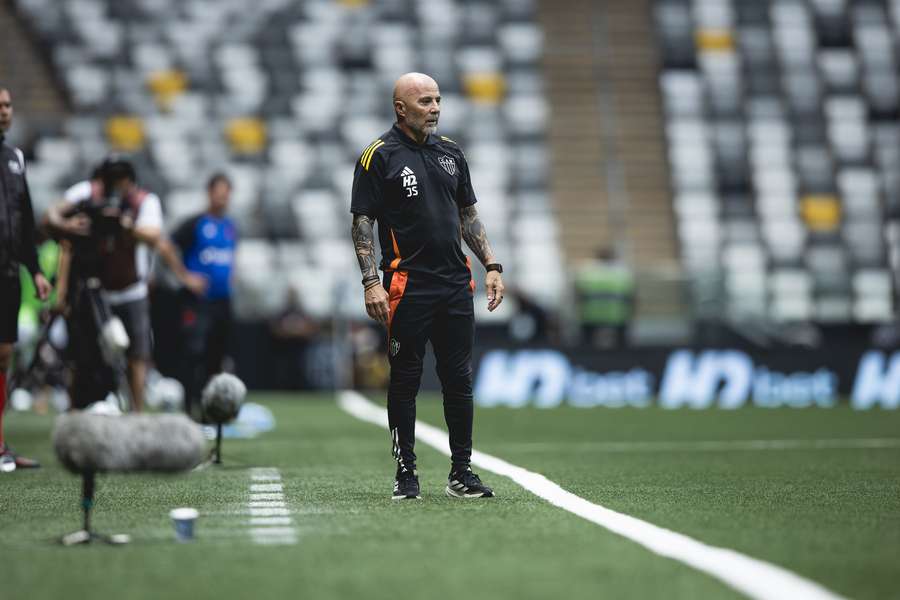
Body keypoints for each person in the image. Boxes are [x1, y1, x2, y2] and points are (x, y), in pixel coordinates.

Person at [350, 72, 505, 500]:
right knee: (405, 380)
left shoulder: (451, 152)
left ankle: (461, 471)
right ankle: (406, 472)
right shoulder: (378, 156)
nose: (435, 108)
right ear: (400, 108)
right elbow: (362, 222)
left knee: (459, 379)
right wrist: (370, 282)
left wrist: (492, 265)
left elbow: (468, 215)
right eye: (425, 101)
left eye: (437, 100)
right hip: (407, 285)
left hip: (455, 283)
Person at [45, 157, 163, 411]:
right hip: (95, 291)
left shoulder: (143, 201)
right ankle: (80, 409)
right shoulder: (88, 195)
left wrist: (126, 226)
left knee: (136, 353)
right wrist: (69, 224)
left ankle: (137, 412)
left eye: (121, 180)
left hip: (131, 290)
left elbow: (154, 236)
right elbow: (52, 217)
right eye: (112, 180)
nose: (117, 186)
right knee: (85, 355)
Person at [156, 172, 236, 419]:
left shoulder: (230, 227)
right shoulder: (196, 223)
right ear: (209, 193)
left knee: (216, 357)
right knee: (193, 354)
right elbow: (165, 245)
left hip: (222, 301)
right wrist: (185, 276)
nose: (222, 199)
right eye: (218, 194)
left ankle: (210, 412)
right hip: (197, 302)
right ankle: (188, 410)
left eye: (226, 195)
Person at [0, 87, 52, 470]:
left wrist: (35, 270)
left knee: (4, 355)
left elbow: (25, 219)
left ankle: (0, 443)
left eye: (7, 104)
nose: (4, 111)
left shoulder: (15, 158)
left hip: (8, 273)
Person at [574, 246, 634, 348]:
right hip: (616, 316)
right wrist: (631, 315)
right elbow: (630, 296)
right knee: (622, 347)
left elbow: (578, 294)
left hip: (591, 315)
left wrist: (578, 312)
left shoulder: (587, 272)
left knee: (586, 346)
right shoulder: (622, 272)